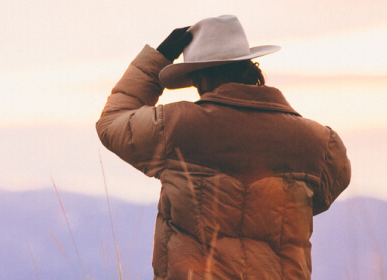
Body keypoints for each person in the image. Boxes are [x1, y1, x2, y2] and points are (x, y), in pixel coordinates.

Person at [96, 15, 351, 279]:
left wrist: (156, 61)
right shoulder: (319, 142)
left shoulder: (175, 127)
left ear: (199, 78)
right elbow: (324, 193)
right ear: (248, 66)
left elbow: (111, 123)